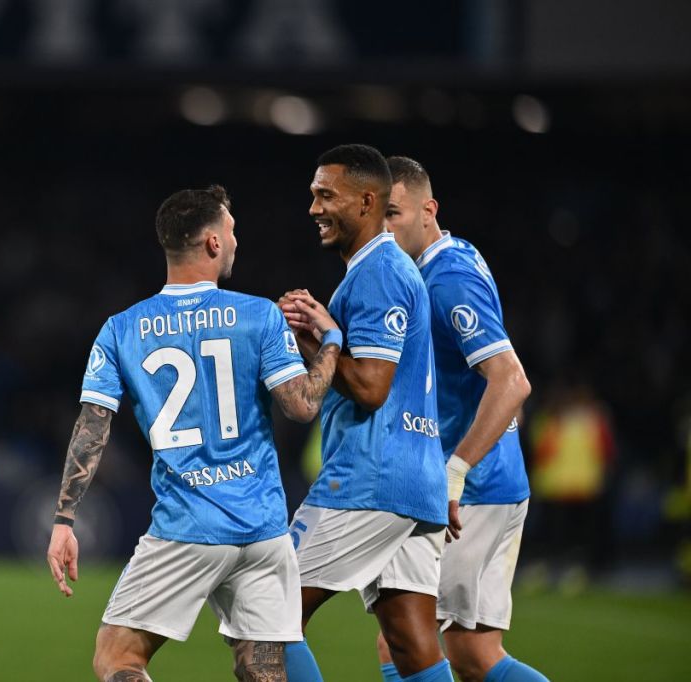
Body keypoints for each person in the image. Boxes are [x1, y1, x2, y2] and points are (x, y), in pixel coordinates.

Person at [46, 185, 343, 682]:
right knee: (263, 669)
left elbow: (92, 427)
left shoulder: (121, 329)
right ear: (212, 242)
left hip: (188, 525)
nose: (235, 241)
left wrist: (64, 518)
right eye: (231, 231)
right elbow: (302, 406)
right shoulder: (259, 315)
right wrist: (331, 341)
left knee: (117, 659)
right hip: (263, 529)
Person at [279, 145, 452, 682]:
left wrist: (314, 342)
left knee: (265, 610)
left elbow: (372, 387)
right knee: (411, 644)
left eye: (326, 195)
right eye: (313, 195)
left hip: (370, 476)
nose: (314, 208)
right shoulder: (381, 271)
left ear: (367, 202)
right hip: (416, 478)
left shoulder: (377, 272)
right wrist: (320, 336)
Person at [379, 155, 548, 682]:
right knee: (473, 655)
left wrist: (457, 470)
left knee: (400, 637)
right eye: (376, 216)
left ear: (428, 211)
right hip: (494, 482)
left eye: (393, 213)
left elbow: (512, 381)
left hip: (471, 491)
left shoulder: (448, 280)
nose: (383, 229)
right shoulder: (450, 257)